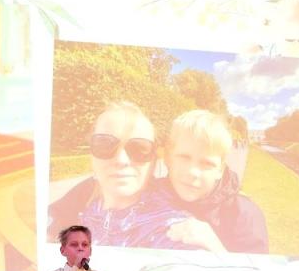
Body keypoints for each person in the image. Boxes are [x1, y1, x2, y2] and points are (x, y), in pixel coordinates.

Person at [47, 102, 194, 249]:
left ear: (154, 160)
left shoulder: (170, 228)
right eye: (104, 144)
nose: (121, 160)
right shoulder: (78, 203)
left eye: (139, 148)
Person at [146, 109, 269, 253]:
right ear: (168, 158)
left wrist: (216, 248)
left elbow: (254, 267)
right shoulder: (148, 197)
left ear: (220, 170)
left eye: (207, 163)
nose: (193, 172)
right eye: (184, 157)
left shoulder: (244, 215)